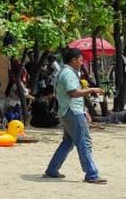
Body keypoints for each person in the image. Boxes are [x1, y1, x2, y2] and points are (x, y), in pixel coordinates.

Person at [44, 48, 107, 184]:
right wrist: (92, 89)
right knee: (84, 142)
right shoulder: (68, 74)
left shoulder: (64, 72)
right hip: (73, 111)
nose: (81, 61)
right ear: (73, 60)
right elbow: (73, 93)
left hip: (66, 111)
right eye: (80, 59)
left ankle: (52, 169)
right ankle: (92, 174)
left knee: (68, 142)